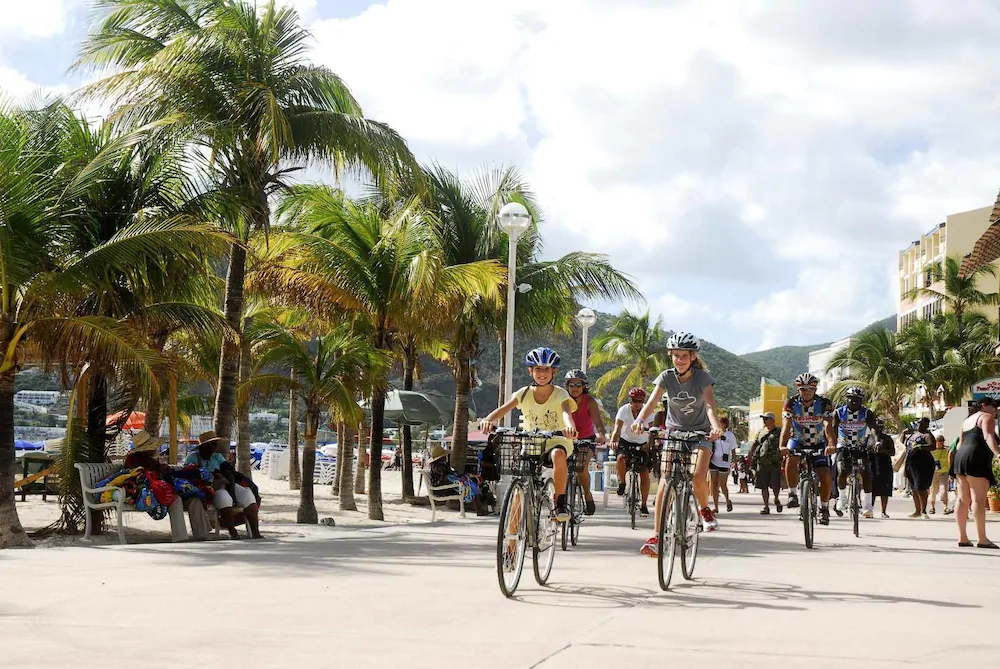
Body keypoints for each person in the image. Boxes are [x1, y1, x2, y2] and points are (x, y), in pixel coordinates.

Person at [632, 332, 725, 557]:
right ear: (670, 355)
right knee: (665, 482)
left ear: (693, 357)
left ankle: (705, 510)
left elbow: (711, 407)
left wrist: (715, 427)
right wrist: (639, 420)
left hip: (701, 434)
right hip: (674, 433)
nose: (680, 359)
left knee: (697, 476)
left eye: (684, 355)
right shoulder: (665, 377)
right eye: (676, 355)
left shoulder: (702, 378)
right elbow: (653, 401)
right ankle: (656, 535)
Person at [479, 347, 577, 521]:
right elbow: (503, 409)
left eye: (547, 369)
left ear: (554, 371)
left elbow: (566, 414)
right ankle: (510, 543)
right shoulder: (523, 393)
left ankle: (560, 501)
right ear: (530, 370)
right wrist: (488, 419)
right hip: (531, 443)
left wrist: (569, 427)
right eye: (538, 369)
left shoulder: (561, 394)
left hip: (556, 440)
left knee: (558, 455)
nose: (542, 373)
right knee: (519, 492)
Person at [780, 373, 836, 525]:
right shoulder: (790, 403)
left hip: (818, 442)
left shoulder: (824, 403)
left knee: (824, 476)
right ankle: (792, 493)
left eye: (810, 389)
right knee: (791, 460)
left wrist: (831, 444)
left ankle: (824, 509)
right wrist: (782, 446)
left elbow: (827, 425)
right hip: (797, 440)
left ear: (815, 389)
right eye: (803, 389)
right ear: (798, 389)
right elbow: (786, 426)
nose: (806, 392)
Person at [186, 431, 262, 539]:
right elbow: (189, 474)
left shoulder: (217, 457)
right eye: (213, 444)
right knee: (224, 497)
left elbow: (229, 472)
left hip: (226, 484)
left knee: (247, 495)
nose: (215, 447)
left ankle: (255, 532)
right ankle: (232, 531)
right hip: (209, 489)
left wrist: (231, 489)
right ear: (205, 446)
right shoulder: (193, 458)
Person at [954, 396, 1000, 548]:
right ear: (984, 406)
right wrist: (998, 453)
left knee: (962, 499)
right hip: (976, 457)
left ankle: (963, 537)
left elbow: (959, 444)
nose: (996, 410)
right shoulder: (986, 417)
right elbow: (988, 436)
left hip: (961, 457)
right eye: (994, 406)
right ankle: (982, 538)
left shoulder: (966, 421)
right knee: (978, 499)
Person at [564, 369, 606, 515]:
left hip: (586, 440)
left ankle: (587, 494)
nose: (574, 388)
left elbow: (598, 423)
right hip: (566, 439)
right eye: (571, 385)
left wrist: (601, 434)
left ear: (584, 387)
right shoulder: (562, 400)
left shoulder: (589, 401)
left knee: (580, 467)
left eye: (578, 385)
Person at [610, 386, 655, 518]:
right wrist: (613, 440)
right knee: (621, 458)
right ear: (630, 400)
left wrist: (649, 443)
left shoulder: (648, 410)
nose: (637, 404)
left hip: (642, 443)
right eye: (635, 401)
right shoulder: (624, 410)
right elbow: (617, 428)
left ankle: (644, 505)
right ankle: (622, 482)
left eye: (640, 401)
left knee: (644, 472)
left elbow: (652, 430)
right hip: (626, 441)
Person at [833, 386, 876, 519]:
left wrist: (875, 441)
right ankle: (842, 498)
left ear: (861, 400)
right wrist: (832, 444)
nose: (854, 402)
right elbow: (833, 430)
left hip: (861, 446)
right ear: (847, 399)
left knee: (866, 472)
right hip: (843, 446)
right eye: (851, 399)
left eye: (857, 400)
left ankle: (868, 506)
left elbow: (873, 429)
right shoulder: (839, 413)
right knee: (842, 470)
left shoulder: (867, 412)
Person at [748, 412, 783, 514]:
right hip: (762, 462)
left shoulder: (779, 432)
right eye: (763, 419)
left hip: (775, 462)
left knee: (775, 485)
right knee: (763, 486)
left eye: (766, 419)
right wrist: (750, 455)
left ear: (772, 420)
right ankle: (766, 506)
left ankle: (776, 499)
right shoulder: (761, 432)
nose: (764, 420)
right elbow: (755, 444)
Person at [905, 418, 935, 519]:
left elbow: (932, 446)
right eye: (918, 422)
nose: (920, 425)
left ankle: (924, 511)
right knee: (913, 488)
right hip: (911, 463)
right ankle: (917, 511)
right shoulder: (912, 435)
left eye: (923, 423)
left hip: (923, 464)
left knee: (921, 487)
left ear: (927, 425)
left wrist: (919, 447)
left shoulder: (927, 435)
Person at [709, 416, 737, 513]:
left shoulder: (730, 435)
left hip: (724, 463)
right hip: (713, 461)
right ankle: (716, 506)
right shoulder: (714, 433)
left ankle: (727, 500)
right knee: (714, 484)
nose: (718, 424)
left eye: (720, 422)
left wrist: (735, 463)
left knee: (722, 484)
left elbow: (733, 450)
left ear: (725, 424)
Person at [870, 419, 896, 518]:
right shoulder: (869, 438)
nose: (879, 428)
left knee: (885, 490)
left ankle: (883, 511)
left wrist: (883, 450)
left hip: (885, 465)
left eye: (881, 426)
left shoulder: (887, 438)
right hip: (872, 465)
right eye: (877, 426)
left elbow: (893, 452)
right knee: (871, 489)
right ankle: (870, 510)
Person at [929, 433, 952, 514]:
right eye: (939, 441)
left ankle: (945, 507)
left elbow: (950, 459)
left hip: (944, 473)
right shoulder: (931, 451)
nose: (941, 443)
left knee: (944, 490)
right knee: (933, 491)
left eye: (942, 441)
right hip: (933, 473)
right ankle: (932, 507)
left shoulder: (946, 450)